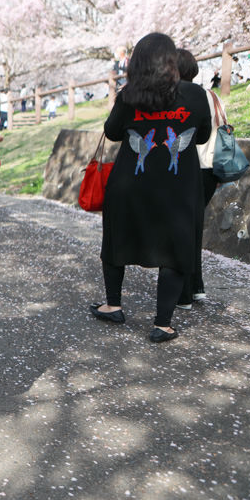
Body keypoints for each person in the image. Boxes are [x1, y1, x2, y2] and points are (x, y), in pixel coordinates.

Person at [89, 33, 211, 343]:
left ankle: (113, 305)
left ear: (137, 63)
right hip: (178, 187)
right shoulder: (195, 94)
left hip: (130, 183)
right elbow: (202, 135)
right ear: (171, 60)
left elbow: (112, 131)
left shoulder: (129, 95)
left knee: (117, 240)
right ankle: (162, 324)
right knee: (175, 248)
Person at [178, 48, 220, 306]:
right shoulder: (212, 95)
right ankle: (196, 285)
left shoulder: (184, 96)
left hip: (194, 166)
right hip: (213, 167)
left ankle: (185, 289)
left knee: (183, 228)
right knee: (194, 227)